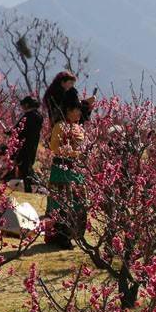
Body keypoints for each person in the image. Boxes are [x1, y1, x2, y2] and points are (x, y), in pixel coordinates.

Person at [45, 100, 87, 249]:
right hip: (61, 169)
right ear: (69, 110)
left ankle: (75, 234)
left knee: (77, 201)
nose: (79, 113)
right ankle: (60, 236)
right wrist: (70, 151)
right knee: (61, 201)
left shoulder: (79, 128)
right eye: (77, 110)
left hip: (76, 168)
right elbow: (54, 147)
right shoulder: (59, 126)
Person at [8, 96, 44, 191]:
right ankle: (31, 187)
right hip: (33, 145)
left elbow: (19, 130)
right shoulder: (39, 116)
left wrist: (9, 132)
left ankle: (28, 188)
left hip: (23, 146)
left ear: (27, 105)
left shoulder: (28, 116)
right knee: (28, 166)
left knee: (24, 168)